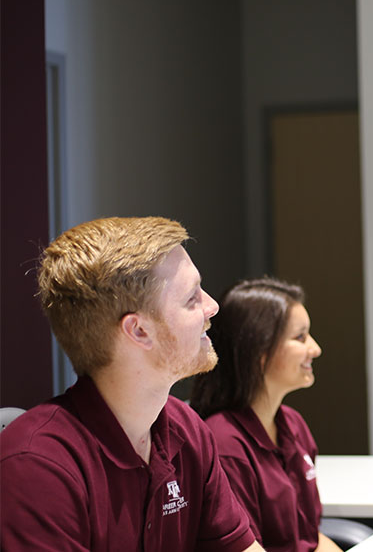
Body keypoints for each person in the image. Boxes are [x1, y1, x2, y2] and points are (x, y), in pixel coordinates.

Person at [0, 217, 265, 552]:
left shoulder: (187, 431)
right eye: (192, 298)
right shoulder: (37, 466)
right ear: (139, 331)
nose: (212, 307)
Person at [190, 278, 342, 552]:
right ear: (259, 349)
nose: (315, 349)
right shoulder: (225, 444)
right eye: (300, 337)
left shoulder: (293, 424)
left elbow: (310, 537)